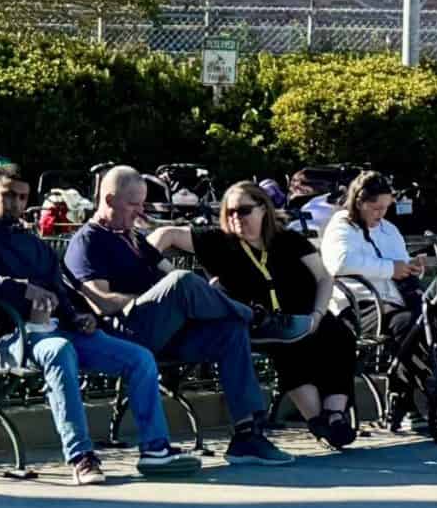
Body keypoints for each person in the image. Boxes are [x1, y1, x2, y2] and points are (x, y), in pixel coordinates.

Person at [0, 167, 206, 485]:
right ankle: (81, 456)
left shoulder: (31, 241)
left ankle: (155, 449)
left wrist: (78, 316)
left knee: (138, 358)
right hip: (11, 339)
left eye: (23, 197)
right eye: (8, 195)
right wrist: (23, 289)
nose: (16, 204)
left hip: (57, 330)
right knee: (59, 350)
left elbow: (59, 287)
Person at [59, 165, 293, 466]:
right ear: (109, 200)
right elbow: (101, 302)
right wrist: (154, 299)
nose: (139, 211)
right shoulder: (88, 241)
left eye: (142, 203)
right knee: (182, 282)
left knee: (230, 330)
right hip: (125, 333)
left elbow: (169, 275)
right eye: (133, 204)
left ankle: (248, 435)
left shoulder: (133, 238)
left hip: (167, 330)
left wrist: (206, 297)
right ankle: (259, 319)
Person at [154, 183, 363, 448]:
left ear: (263, 208)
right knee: (288, 344)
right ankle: (317, 421)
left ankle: (334, 415)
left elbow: (323, 277)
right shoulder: (218, 242)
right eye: (229, 212)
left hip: (303, 314)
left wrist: (318, 314)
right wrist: (163, 270)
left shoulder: (287, 240)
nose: (235, 218)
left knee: (338, 334)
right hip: (257, 323)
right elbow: (166, 234)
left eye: (243, 210)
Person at [319, 171, 417, 319]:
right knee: (407, 321)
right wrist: (390, 269)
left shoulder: (389, 229)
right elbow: (340, 263)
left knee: (432, 317)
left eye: (386, 207)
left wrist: (410, 266)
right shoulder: (342, 224)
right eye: (376, 208)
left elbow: (400, 261)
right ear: (359, 204)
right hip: (360, 304)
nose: (382, 213)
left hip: (396, 300)